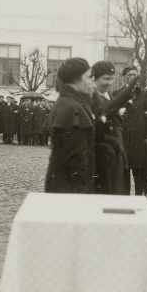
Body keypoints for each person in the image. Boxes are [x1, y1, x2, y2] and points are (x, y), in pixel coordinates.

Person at [44, 58, 96, 193]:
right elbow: (75, 159)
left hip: (61, 183)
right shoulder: (72, 107)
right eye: (89, 77)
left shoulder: (65, 101)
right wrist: (80, 190)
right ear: (76, 79)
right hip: (69, 187)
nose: (91, 81)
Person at [90, 61, 134, 195]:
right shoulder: (91, 98)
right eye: (106, 78)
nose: (109, 82)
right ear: (94, 78)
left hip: (117, 157)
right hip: (102, 160)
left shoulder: (111, 96)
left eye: (112, 78)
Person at [116, 66, 147, 195]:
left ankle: (139, 198)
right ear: (123, 77)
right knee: (123, 173)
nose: (132, 77)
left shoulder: (145, 95)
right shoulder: (117, 94)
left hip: (139, 141)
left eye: (134, 75)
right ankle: (125, 199)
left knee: (140, 173)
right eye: (129, 75)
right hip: (123, 140)